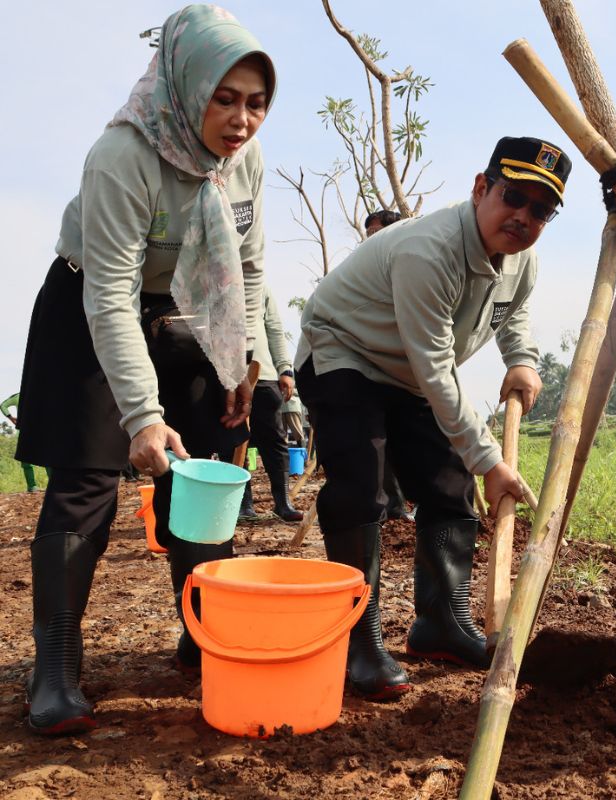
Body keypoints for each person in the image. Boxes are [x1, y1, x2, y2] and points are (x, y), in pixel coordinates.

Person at [16, 5, 274, 736]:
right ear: (186, 85)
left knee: (203, 476)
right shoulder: (123, 156)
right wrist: (141, 413)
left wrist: (242, 359)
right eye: (225, 98)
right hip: (91, 305)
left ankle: (204, 640)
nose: (241, 119)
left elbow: (249, 267)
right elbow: (109, 295)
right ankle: (57, 669)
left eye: (256, 102)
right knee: (88, 482)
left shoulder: (246, 158)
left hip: (189, 307)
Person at [294, 136, 566, 698]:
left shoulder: (523, 257)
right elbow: (436, 370)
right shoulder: (430, 249)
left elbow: (511, 309)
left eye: (541, 210)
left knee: (448, 483)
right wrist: (490, 459)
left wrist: (521, 359)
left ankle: (441, 623)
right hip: (345, 352)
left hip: (408, 370)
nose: (524, 217)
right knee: (361, 488)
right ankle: (358, 640)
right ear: (480, 187)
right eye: (513, 197)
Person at [362, 208, 415, 523]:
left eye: (375, 233)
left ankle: (399, 506)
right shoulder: (365, 269)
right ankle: (387, 509)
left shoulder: (408, 263)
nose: (370, 240)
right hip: (370, 366)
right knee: (375, 441)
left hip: (404, 368)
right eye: (367, 235)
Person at [239, 284, 302, 522]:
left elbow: (274, 328)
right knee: (236, 440)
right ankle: (243, 503)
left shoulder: (259, 285)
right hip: (226, 373)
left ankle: (283, 502)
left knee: (275, 439)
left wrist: (284, 368)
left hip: (263, 372)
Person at [3, 393, 40, 492]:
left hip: (25, 431)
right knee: (46, 457)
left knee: (26, 458)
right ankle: (48, 486)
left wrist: (11, 418)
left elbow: (3, 405)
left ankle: (32, 487)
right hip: (39, 431)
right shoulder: (41, 395)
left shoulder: (18, 396)